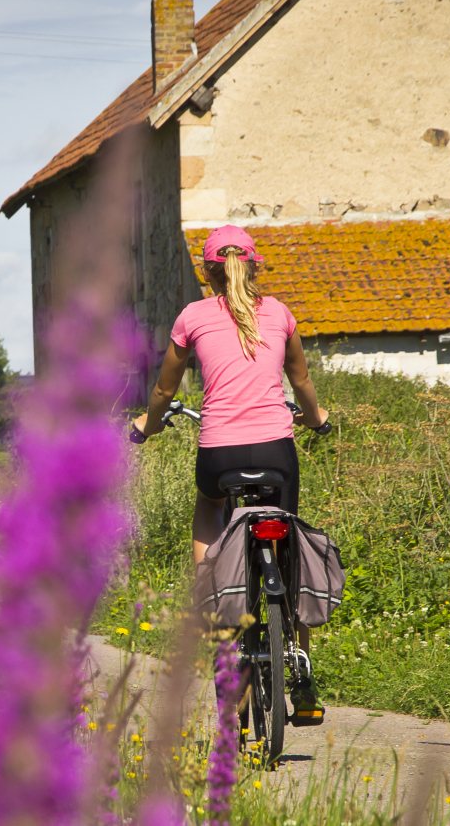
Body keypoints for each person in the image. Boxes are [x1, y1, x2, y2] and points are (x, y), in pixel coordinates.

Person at [131, 224, 330, 724]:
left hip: (219, 454)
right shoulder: (280, 314)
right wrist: (317, 417)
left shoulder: (192, 317)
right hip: (277, 451)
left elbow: (162, 389)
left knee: (209, 504)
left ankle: (209, 587)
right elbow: (300, 378)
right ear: (255, 265)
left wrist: (146, 425)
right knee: (288, 547)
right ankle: (302, 668)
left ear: (207, 271)